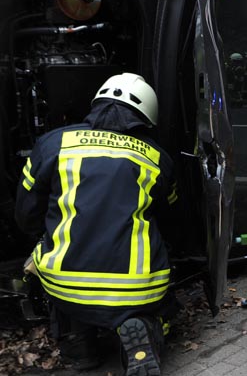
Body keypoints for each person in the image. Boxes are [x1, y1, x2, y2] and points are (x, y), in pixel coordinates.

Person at [16, 73, 177, 375]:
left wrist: (45, 235)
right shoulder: (156, 158)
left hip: (66, 280)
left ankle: (79, 347)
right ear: (147, 117)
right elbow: (170, 217)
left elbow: (26, 213)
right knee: (153, 272)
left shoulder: (53, 144)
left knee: (55, 275)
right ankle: (141, 325)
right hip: (136, 286)